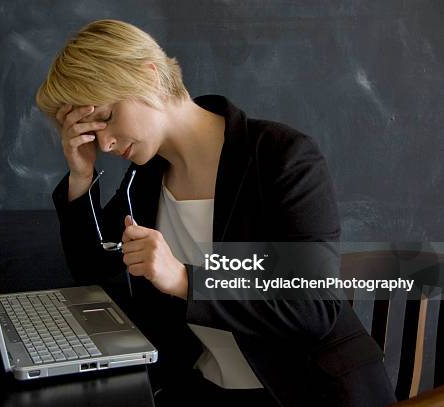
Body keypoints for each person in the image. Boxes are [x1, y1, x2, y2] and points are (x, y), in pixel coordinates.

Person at [35, 19, 396, 407]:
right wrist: (81, 173)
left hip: (306, 390)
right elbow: (94, 271)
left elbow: (313, 305)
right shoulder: (146, 176)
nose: (104, 142)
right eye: (90, 129)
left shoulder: (280, 156)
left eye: (106, 117)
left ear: (149, 76)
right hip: (204, 387)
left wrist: (185, 279)